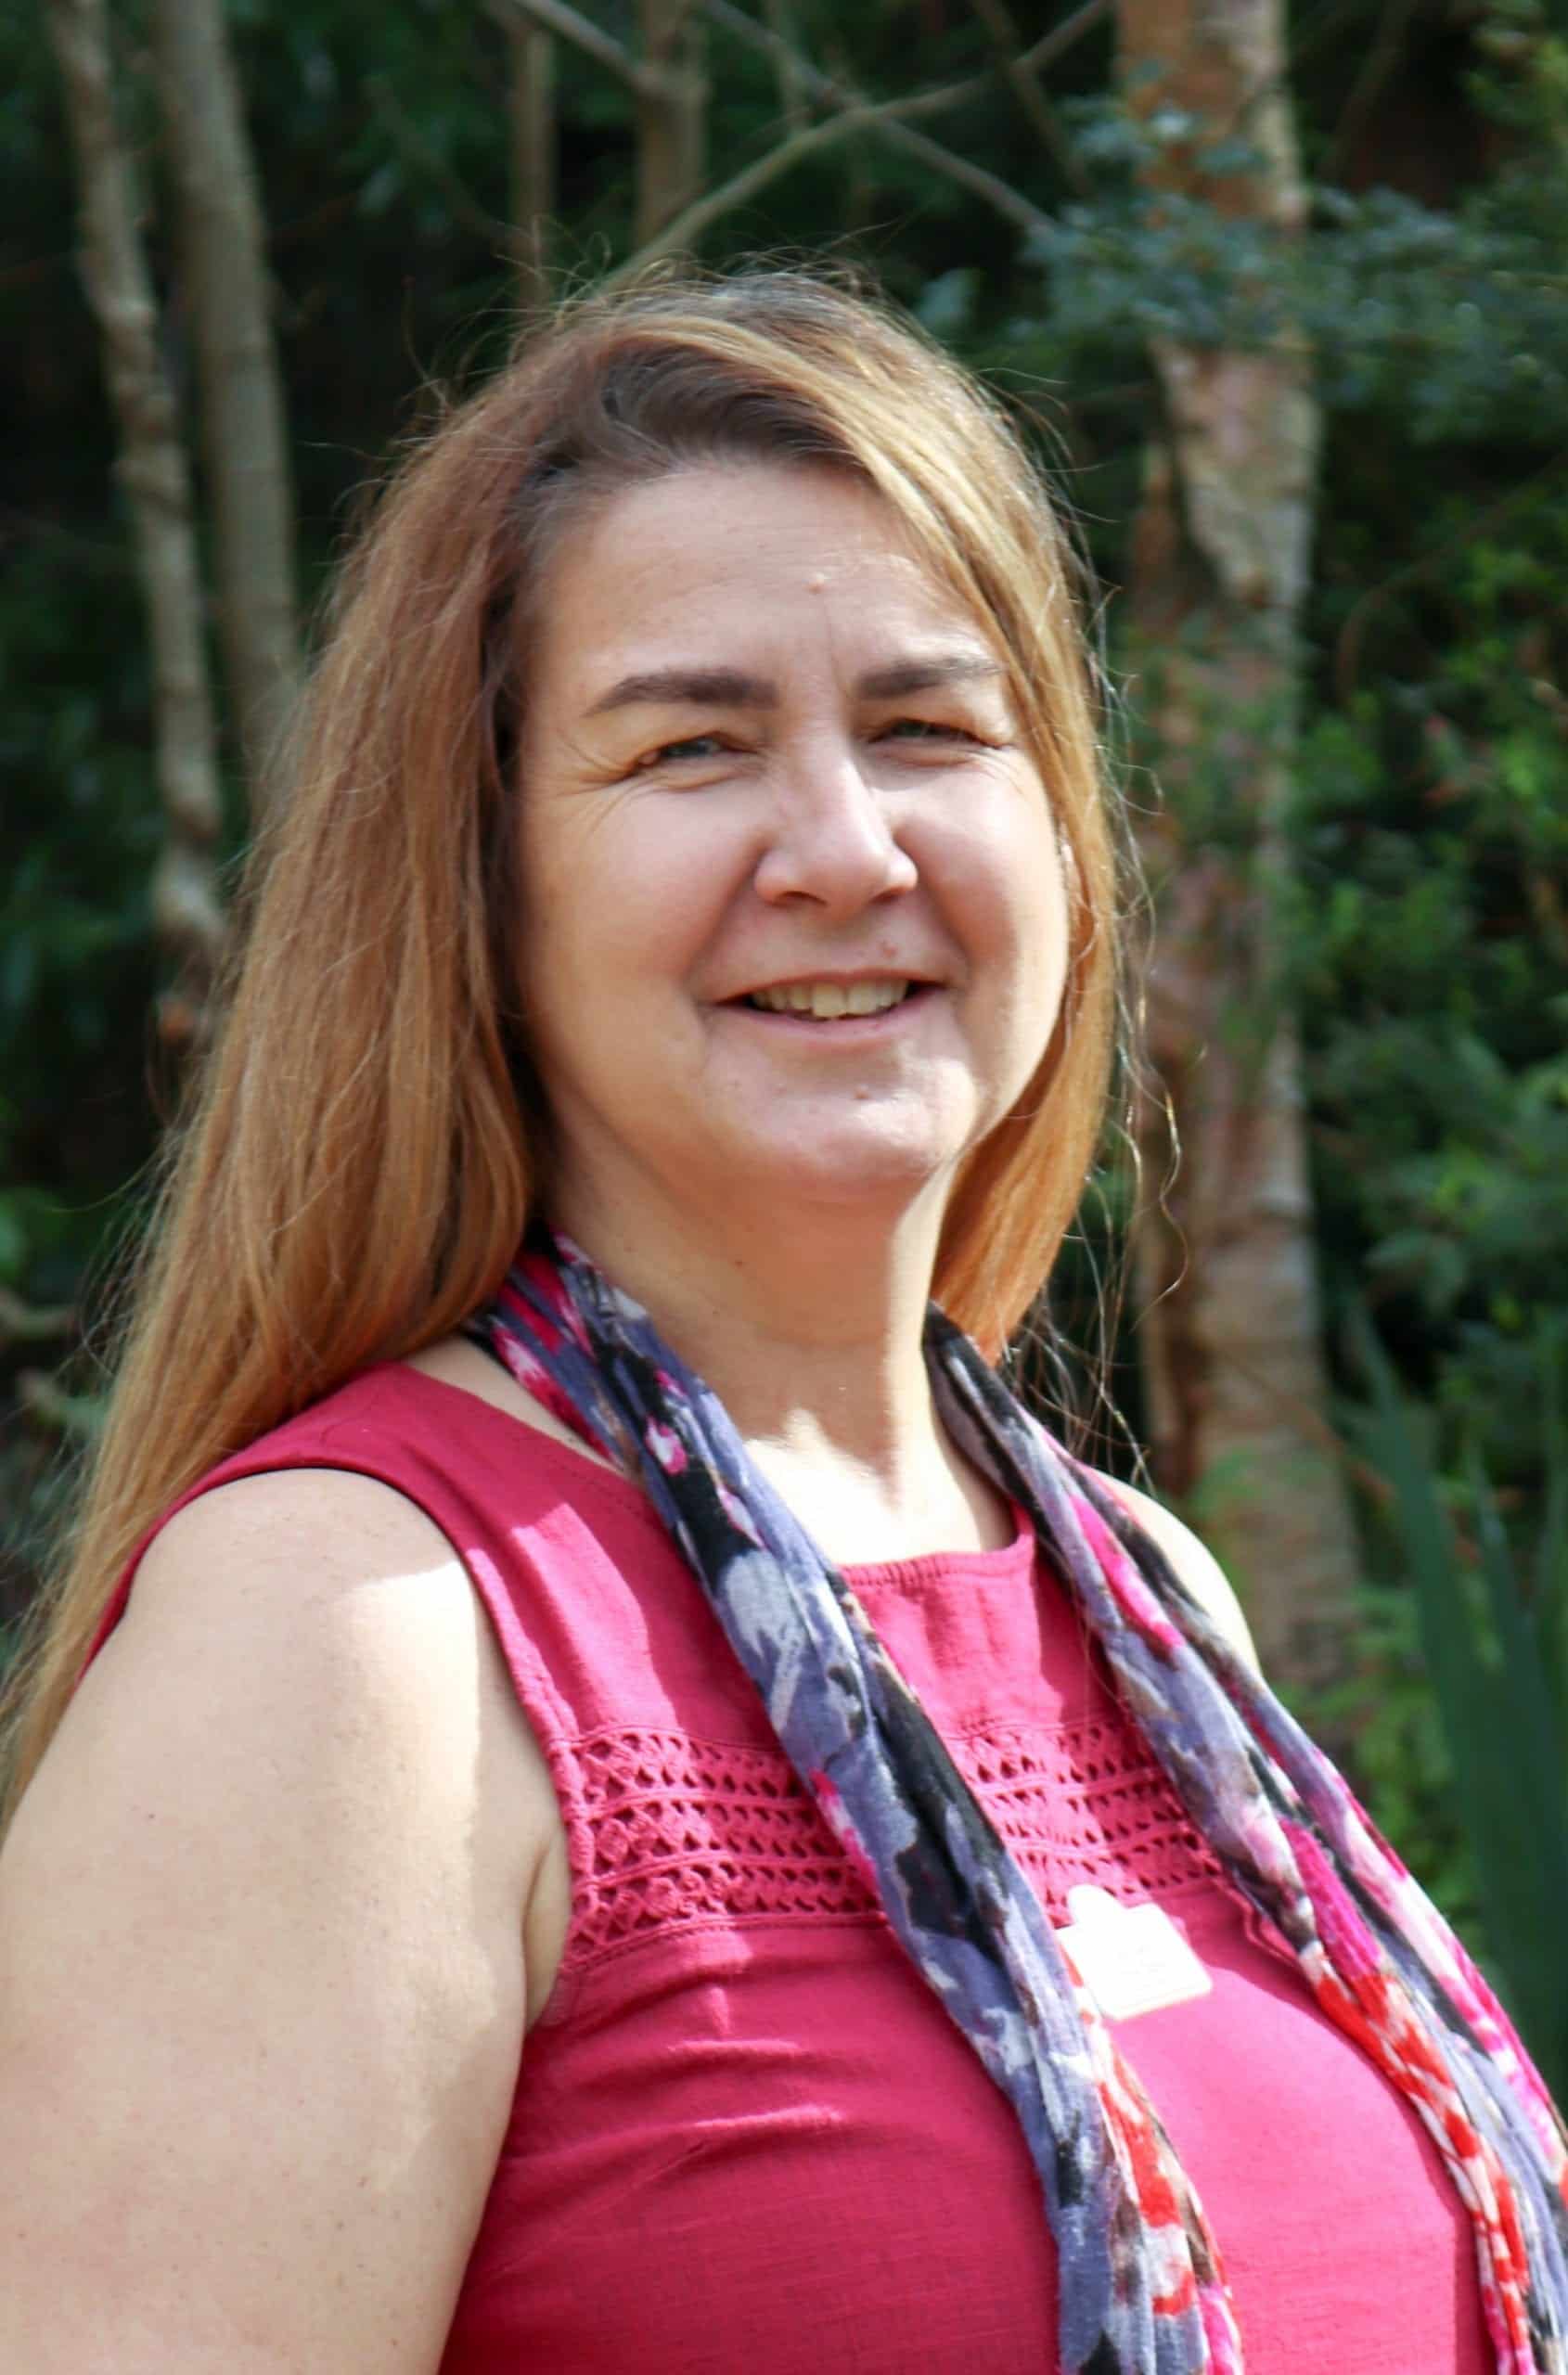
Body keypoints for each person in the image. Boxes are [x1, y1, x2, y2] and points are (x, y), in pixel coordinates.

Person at [0, 269, 1562, 2375]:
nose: (843, 848)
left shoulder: (1138, 1601)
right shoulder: (357, 1635)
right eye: (690, 747)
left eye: (927, 729)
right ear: (482, 881)